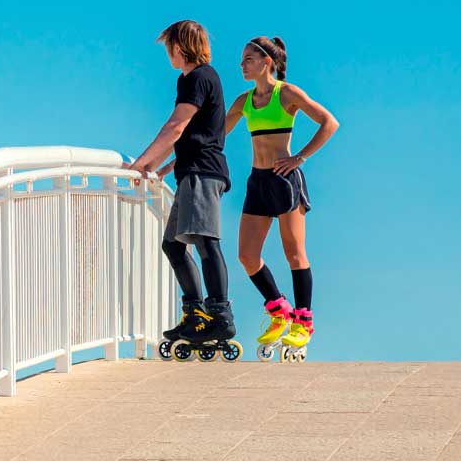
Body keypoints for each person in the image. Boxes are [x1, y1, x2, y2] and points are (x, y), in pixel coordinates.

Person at [125, 20, 238, 360]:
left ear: (180, 46)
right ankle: (195, 313)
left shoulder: (201, 76)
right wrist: (166, 167)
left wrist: (141, 163)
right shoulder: (187, 79)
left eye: (168, 47)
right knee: (173, 245)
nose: (167, 54)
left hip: (203, 173)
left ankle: (220, 315)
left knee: (205, 242)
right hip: (191, 170)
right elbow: (197, 134)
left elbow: (176, 127)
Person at [224, 37, 340, 361]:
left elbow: (330, 122)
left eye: (248, 59)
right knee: (247, 255)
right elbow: (216, 134)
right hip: (257, 182)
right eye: (242, 59)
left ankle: (303, 321)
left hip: (285, 181)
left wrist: (300, 157)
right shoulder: (244, 101)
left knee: (294, 252)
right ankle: (279, 310)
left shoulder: (285, 93)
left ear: (266, 62)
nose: (242, 65)